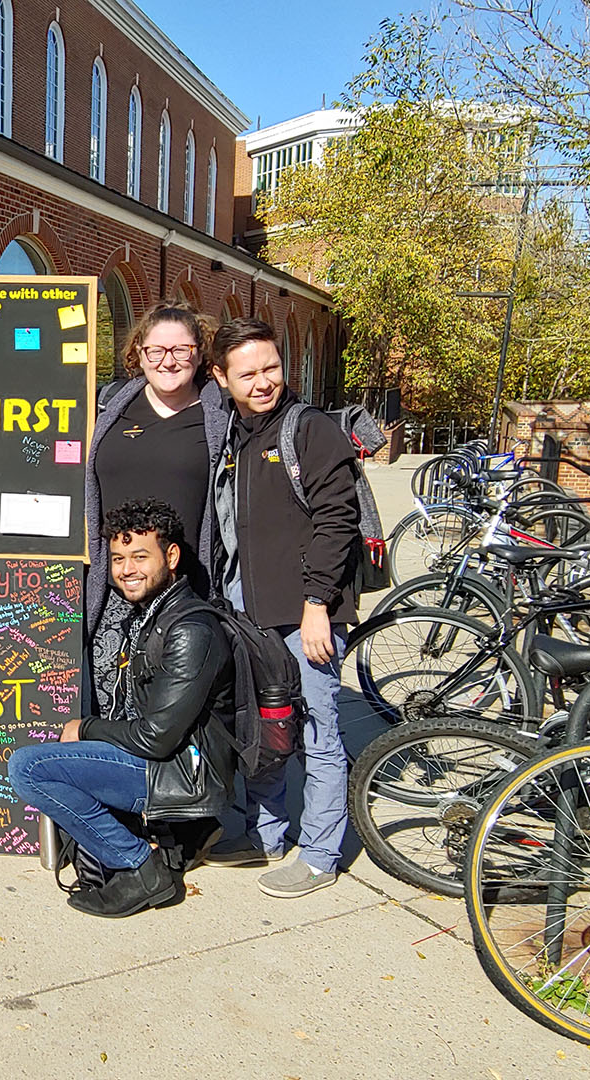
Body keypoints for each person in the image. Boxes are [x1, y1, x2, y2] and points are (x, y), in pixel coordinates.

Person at [9, 499, 234, 918]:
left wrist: (87, 728)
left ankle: (141, 866)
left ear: (171, 556)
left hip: (182, 776)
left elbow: (156, 737)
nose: (127, 569)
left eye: (139, 556)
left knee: (29, 768)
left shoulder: (190, 629)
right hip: (167, 764)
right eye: (117, 558)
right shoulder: (154, 613)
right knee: (48, 759)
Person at [201, 318, 361, 898]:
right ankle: (266, 834)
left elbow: (336, 519)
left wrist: (318, 601)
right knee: (264, 726)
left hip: (306, 609)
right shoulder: (235, 436)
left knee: (318, 728)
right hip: (250, 606)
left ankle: (320, 853)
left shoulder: (309, 429)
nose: (264, 380)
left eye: (271, 367)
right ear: (221, 378)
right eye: (248, 373)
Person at [84, 303, 227, 628]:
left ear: (200, 352)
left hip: (186, 597)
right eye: (156, 350)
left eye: (181, 349)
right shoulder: (107, 408)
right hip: (112, 597)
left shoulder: (221, 418)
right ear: (139, 351)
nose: (168, 361)